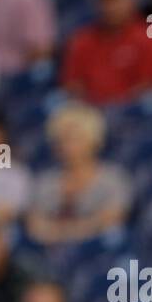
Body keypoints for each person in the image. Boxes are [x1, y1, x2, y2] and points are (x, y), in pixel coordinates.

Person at [25, 101, 133, 246]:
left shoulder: (113, 178)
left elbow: (111, 220)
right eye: (60, 140)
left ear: (93, 141)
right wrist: (83, 228)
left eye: (74, 139)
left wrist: (60, 232)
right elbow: (35, 226)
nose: (66, 146)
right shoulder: (45, 181)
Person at [61, 0, 152, 105]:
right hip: (93, 111)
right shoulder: (81, 40)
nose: (109, 7)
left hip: (135, 113)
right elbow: (73, 85)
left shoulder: (149, 35)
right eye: (104, 0)